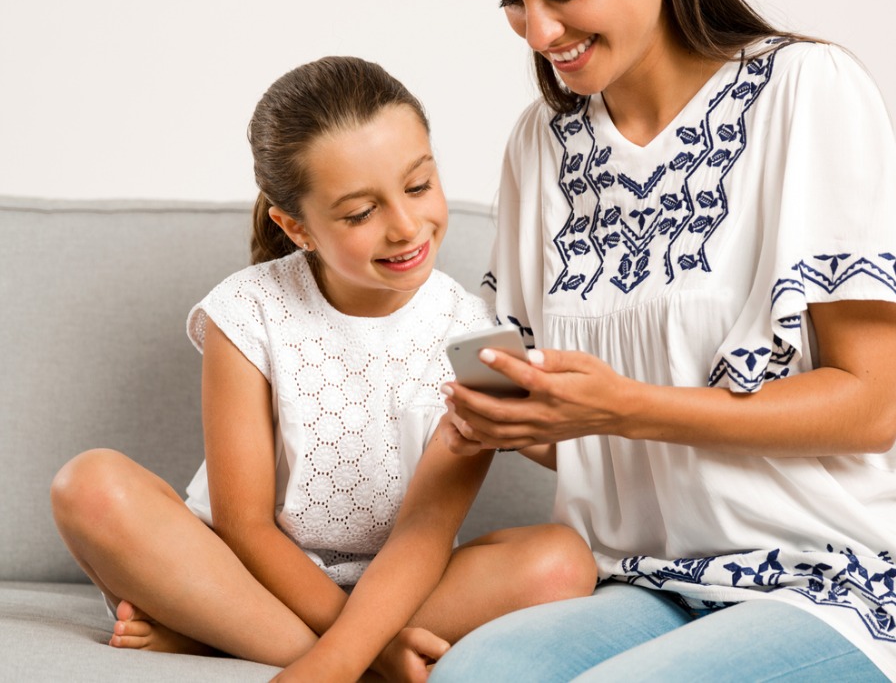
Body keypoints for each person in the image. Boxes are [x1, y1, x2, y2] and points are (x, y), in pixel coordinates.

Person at [429, 0, 896, 681]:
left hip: (831, 578)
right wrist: (510, 418)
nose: (538, 32)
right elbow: (574, 432)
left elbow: (869, 406)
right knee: (473, 676)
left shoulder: (807, 91)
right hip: (642, 582)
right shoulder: (540, 144)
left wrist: (625, 407)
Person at [50, 56, 597, 682]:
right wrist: (367, 648)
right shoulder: (247, 309)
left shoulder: (472, 336)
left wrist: (353, 640)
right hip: (240, 572)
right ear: (296, 227)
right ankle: (344, 653)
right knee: (89, 485)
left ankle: (226, 638)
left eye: (418, 186)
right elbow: (244, 527)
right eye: (361, 213)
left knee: (561, 561)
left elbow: (424, 533)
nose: (405, 226)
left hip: (395, 584)